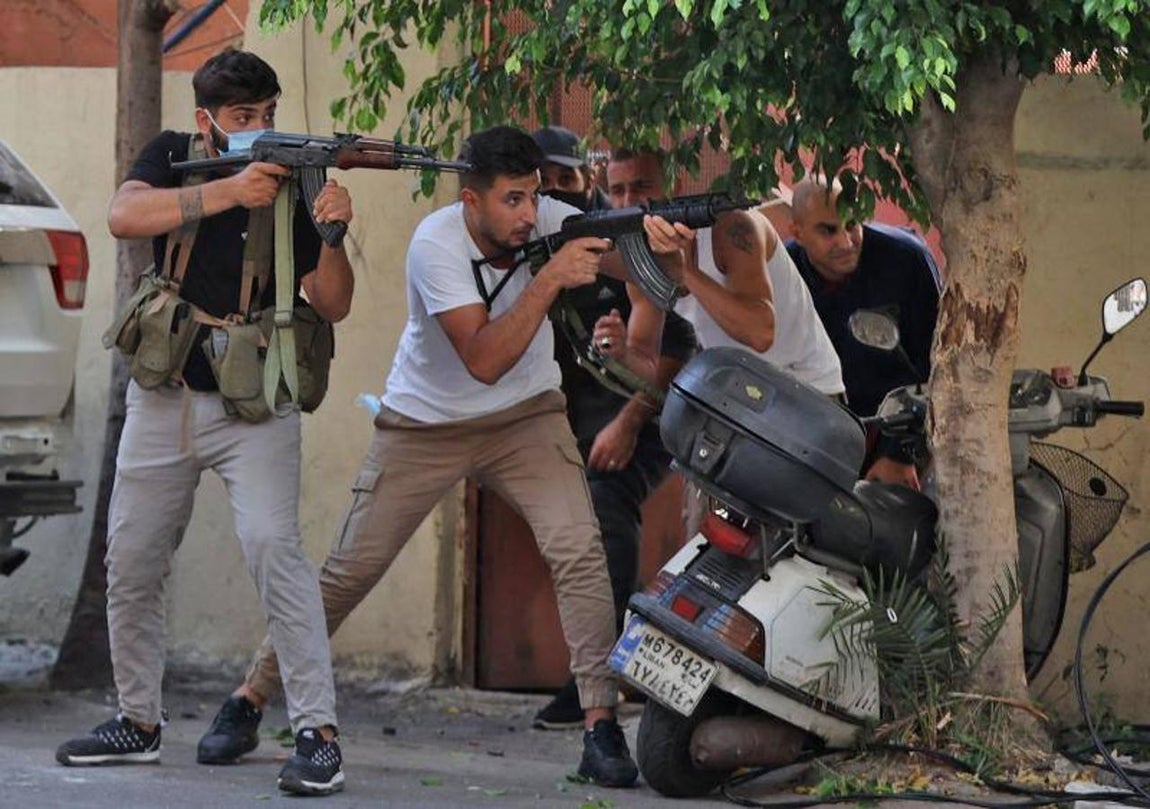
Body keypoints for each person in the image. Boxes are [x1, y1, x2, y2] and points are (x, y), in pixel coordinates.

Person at [195, 125, 641, 788]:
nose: (528, 214)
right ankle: (251, 695)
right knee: (349, 571)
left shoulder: (553, 219)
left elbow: (633, 266)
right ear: (472, 201)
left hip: (526, 420)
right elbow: (484, 359)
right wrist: (552, 277)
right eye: (512, 200)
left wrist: (657, 250)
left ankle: (600, 724)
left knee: (579, 549)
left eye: (534, 198)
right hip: (424, 422)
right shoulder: (436, 242)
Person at [54, 49, 354, 797]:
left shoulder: (297, 184)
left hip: (256, 404)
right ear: (207, 123)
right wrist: (227, 192)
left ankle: (317, 733)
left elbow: (335, 299)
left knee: (273, 550)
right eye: (243, 119)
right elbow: (124, 215)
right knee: (132, 554)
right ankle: (137, 720)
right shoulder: (171, 155)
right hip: (166, 395)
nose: (260, 131)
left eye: (268, 116)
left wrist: (336, 232)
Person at [529, 130, 698, 729]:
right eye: (541, 185)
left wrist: (628, 423)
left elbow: (676, 349)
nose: (554, 194)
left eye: (565, 181)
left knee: (607, 510)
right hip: (569, 414)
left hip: (644, 408)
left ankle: (601, 681)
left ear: (585, 181)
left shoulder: (628, 237)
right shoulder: (535, 238)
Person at [603, 149, 845, 538]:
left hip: (806, 400)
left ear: (673, 186)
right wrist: (618, 351)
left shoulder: (732, 229)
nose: (631, 202)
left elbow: (760, 332)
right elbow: (646, 365)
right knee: (705, 539)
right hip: (739, 402)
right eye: (618, 191)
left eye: (642, 186)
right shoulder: (640, 258)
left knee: (787, 547)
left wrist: (688, 273)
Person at [787, 177, 942, 489]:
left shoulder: (906, 260)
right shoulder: (783, 270)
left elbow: (938, 366)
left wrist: (901, 453)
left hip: (902, 433)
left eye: (852, 224)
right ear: (797, 233)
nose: (845, 242)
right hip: (813, 442)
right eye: (828, 230)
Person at [531, 125, 611, 212]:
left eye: (566, 179)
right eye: (543, 181)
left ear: (589, 182)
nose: (555, 189)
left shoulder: (618, 221)